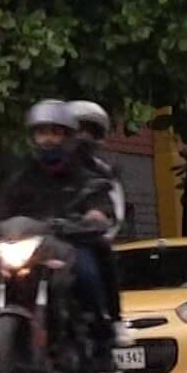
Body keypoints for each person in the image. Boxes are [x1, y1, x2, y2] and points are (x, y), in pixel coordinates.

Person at [0, 100, 134, 349]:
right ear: (33, 136)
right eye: (41, 132)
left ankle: (108, 325)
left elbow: (99, 202)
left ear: (67, 137)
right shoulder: (22, 175)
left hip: (71, 243)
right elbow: (2, 211)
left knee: (89, 271)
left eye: (54, 133)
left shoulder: (83, 174)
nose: (47, 139)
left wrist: (95, 216)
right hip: (34, 247)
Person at [68, 101, 126, 323]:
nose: (81, 136)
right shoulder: (46, 167)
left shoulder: (101, 171)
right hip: (48, 239)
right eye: (76, 130)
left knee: (94, 268)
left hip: (83, 239)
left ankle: (112, 318)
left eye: (88, 131)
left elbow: (113, 206)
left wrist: (99, 216)